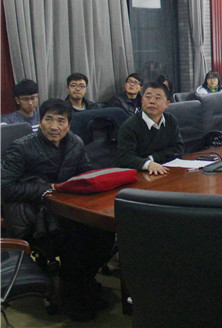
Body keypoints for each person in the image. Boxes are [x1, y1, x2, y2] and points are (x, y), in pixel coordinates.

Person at [1, 98, 115, 322]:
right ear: (40, 121)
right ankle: (71, 297)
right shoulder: (22, 147)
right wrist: (49, 188)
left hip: (68, 207)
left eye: (61, 121)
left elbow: (85, 174)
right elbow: (4, 187)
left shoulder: (75, 143)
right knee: (76, 238)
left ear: (69, 124)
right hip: (35, 214)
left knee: (104, 232)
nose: (54, 126)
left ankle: (84, 284)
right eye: (49, 119)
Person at [117, 82, 184, 175]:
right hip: (140, 175)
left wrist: (152, 158)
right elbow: (125, 157)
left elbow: (178, 149)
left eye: (157, 98)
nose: (152, 101)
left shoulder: (170, 120)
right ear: (142, 100)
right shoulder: (129, 126)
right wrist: (148, 164)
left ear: (167, 104)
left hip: (165, 170)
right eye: (148, 97)